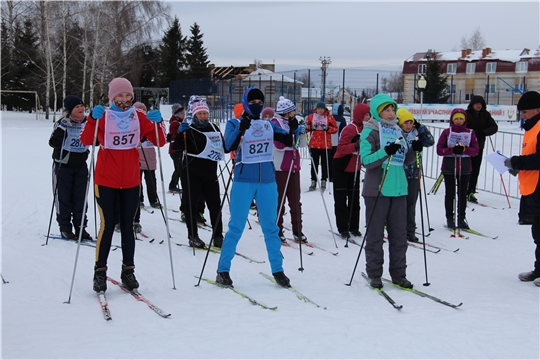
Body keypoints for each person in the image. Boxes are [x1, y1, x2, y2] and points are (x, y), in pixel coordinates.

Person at [80, 77, 166, 293]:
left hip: (130, 180)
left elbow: (159, 141)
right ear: (112, 97)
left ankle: (128, 270)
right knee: (107, 225)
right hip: (106, 180)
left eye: (128, 96)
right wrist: (92, 119)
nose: (124, 100)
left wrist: (158, 123)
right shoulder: (104, 116)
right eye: (120, 96)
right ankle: (100, 272)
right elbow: (86, 140)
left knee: (128, 226)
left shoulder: (137, 116)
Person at [216, 87, 305, 288]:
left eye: (259, 102)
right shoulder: (234, 123)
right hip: (243, 181)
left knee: (271, 227)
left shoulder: (267, 125)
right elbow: (227, 146)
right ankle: (223, 269)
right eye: (253, 102)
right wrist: (241, 129)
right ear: (246, 103)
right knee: (236, 226)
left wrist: (293, 126)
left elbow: (287, 139)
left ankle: (278, 269)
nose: (256, 105)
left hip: (266, 181)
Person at [359, 94, 414, 289]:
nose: (391, 114)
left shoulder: (397, 130)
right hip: (377, 190)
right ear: (376, 111)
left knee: (399, 235)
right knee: (375, 235)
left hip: (398, 190)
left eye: (392, 110)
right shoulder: (370, 132)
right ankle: (374, 273)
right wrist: (385, 152)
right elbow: (366, 160)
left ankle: (399, 273)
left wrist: (413, 150)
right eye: (387, 110)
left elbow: (405, 160)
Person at [172, 96, 227, 249]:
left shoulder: (214, 127)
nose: (203, 116)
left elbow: (223, 147)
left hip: (210, 172)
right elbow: (177, 148)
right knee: (191, 204)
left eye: (205, 113)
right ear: (194, 114)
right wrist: (179, 133)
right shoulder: (188, 128)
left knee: (215, 204)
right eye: (199, 113)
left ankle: (218, 235)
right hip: (191, 171)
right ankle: (193, 235)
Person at [503, 91, 540, 285]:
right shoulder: (531, 129)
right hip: (532, 187)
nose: (522, 116)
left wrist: (518, 161)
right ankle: (539, 269)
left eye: (525, 112)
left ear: (537, 109)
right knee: (537, 233)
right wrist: (518, 167)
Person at [48, 95, 92, 241]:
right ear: (69, 110)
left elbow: (96, 141)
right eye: (76, 107)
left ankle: (80, 228)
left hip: (80, 166)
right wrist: (62, 128)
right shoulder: (62, 122)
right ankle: (65, 228)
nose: (81, 108)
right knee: (63, 198)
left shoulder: (88, 122)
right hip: (63, 166)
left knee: (80, 199)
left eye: (82, 106)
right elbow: (53, 142)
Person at [436, 108, 479, 230]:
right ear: (452, 120)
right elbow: (439, 150)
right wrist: (450, 150)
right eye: (456, 119)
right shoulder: (446, 132)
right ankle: (450, 217)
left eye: (461, 118)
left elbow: (476, 151)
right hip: (449, 166)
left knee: (462, 193)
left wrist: (465, 149)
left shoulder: (470, 132)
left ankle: (461, 217)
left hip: (464, 166)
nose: (459, 121)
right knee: (450, 193)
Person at [396, 108, 435, 242]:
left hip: (414, 173)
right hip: (398, 173)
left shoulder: (416, 133)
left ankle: (410, 231)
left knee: (411, 203)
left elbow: (430, 142)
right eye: (405, 122)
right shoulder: (396, 133)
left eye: (411, 122)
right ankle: (395, 227)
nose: (408, 125)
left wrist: (421, 128)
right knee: (398, 203)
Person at [272, 96, 307, 244]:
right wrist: (292, 131)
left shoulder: (293, 122)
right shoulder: (275, 123)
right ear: (286, 112)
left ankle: (297, 229)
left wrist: (301, 132)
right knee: (279, 200)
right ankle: (277, 229)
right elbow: (278, 146)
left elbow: (301, 145)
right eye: (293, 111)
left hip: (293, 166)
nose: (295, 113)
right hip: (280, 167)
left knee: (295, 200)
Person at [332, 103, 369, 239]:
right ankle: (343, 228)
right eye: (366, 114)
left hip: (355, 168)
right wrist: (355, 146)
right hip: (342, 166)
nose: (368, 117)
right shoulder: (350, 129)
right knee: (341, 198)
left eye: (369, 115)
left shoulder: (365, 129)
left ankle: (354, 226)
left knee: (354, 199)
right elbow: (340, 149)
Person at [465, 95, 498, 203]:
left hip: (478, 145)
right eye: (476, 103)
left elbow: (494, 127)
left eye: (480, 104)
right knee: (465, 168)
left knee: (475, 169)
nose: (478, 106)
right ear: (472, 104)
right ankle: (462, 189)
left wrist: (483, 132)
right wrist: (471, 132)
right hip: (466, 145)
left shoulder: (486, 115)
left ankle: (471, 191)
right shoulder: (466, 114)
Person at [305, 101, 338, 191]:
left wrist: (327, 129)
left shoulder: (329, 117)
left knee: (325, 164)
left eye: (322, 109)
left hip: (325, 144)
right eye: (318, 108)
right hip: (314, 143)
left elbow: (335, 128)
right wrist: (311, 128)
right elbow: (305, 126)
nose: (320, 110)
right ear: (316, 109)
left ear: (324, 109)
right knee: (314, 164)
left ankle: (324, 180)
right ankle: (313, 181)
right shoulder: (311, 117)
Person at [135, 102, 160, 210]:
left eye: (143, 110)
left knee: (151, 180)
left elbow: (157, 136)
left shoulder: (150, 122)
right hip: (138, 156)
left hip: (149, 156)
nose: (142, 112)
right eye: (139, 110)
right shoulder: (134, 122)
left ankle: (153, 199)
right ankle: (139, 199)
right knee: (137, 180)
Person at [167, 103, 184, 194]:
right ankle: (173, 185)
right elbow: (175, 135)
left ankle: (174, 184)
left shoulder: (180, 122)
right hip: (175, 150)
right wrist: (180, 131)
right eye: (182, 114)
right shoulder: (174, 123)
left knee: (179, 168)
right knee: (179, 168)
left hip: (179, 149)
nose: (184, 115)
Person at [329, 103, 347, 182]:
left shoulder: (330, 118)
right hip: (338, 143)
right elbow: (344, 132)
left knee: (330, 160)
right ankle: (336, 175)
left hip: (329, 142)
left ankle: (330, 176)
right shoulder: (342, 120)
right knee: (337, 160)